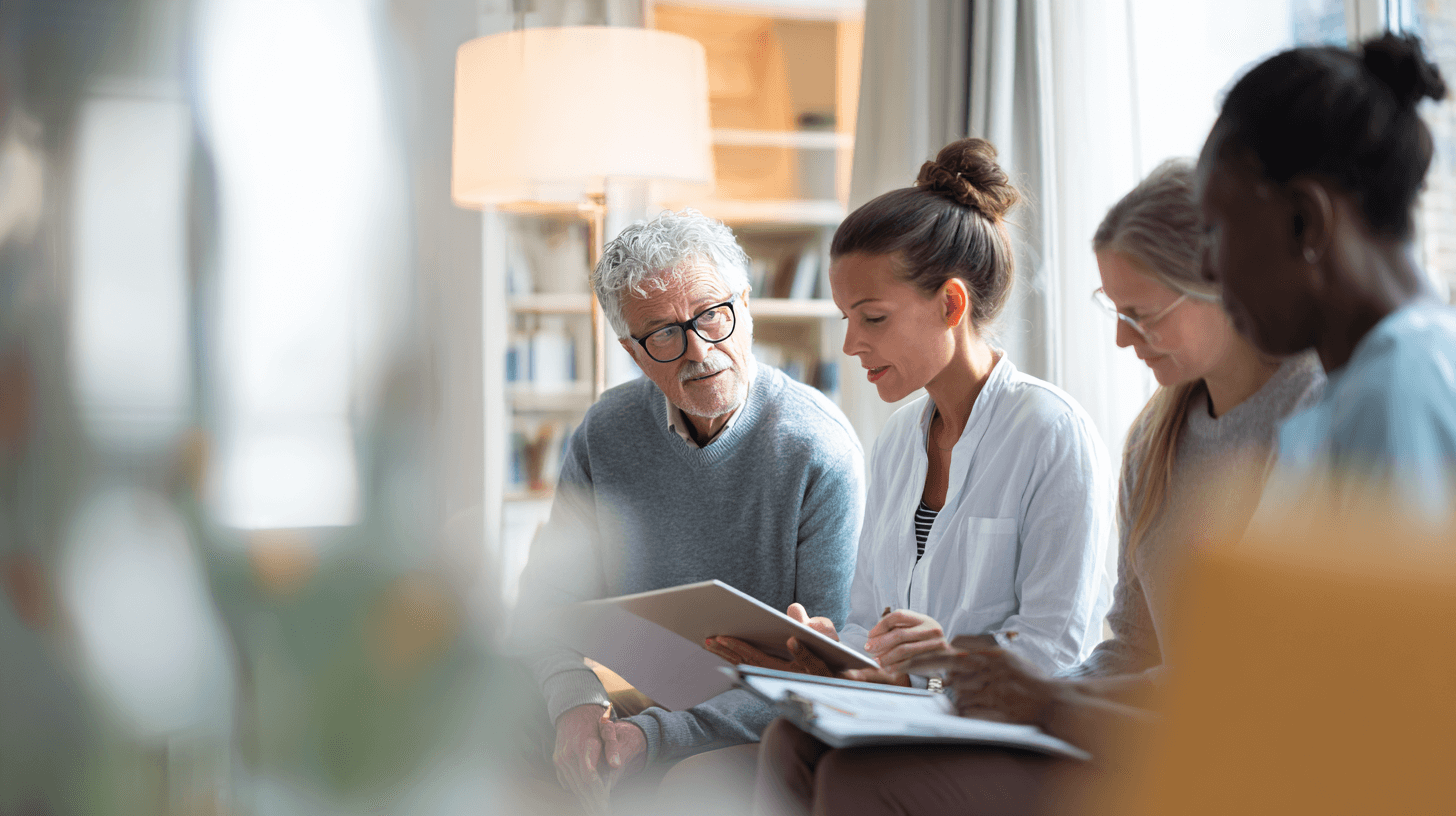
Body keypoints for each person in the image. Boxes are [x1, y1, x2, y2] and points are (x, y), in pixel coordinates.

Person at [753, 158, 1325, 816]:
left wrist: (1020, 692)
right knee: (790, 742)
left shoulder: (1310, 415)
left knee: (858, 781)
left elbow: (1242, 672)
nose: (1117, 337)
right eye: (1113, 310)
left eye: (1139, 312)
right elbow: (1129, 643)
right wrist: (837, 660)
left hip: (1188, 748)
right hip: (1086, 723)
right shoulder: (1156, 435)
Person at [712, 137, 1113, 685]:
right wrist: (828, 654)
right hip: (907, 719)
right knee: (787, 739)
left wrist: (944, 661)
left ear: (951, 304)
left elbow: (1056, 647)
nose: (851, 345)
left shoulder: (1052, 432)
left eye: (872, 318)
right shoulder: (899, 440)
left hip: (1000, 735)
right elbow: (869, 627)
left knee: (825, 767)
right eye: (845, 319)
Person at [509, 209, 865, 811]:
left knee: (688, 785)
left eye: (713, 316)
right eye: (664, 333)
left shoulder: (817, 448)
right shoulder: (607, 431)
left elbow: (824, 675)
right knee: (502, 725)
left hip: (769, 715)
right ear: (631, 350)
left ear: (746, 306)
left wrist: (654, 737)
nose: (699, 350)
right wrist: (575, 705)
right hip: (648, 691)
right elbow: (544, 604)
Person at [1197, 32, 1456, 524]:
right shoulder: (1379, 381)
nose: (1207, 268)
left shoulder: (1397, 392)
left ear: (1305, 220)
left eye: (1214, 231)